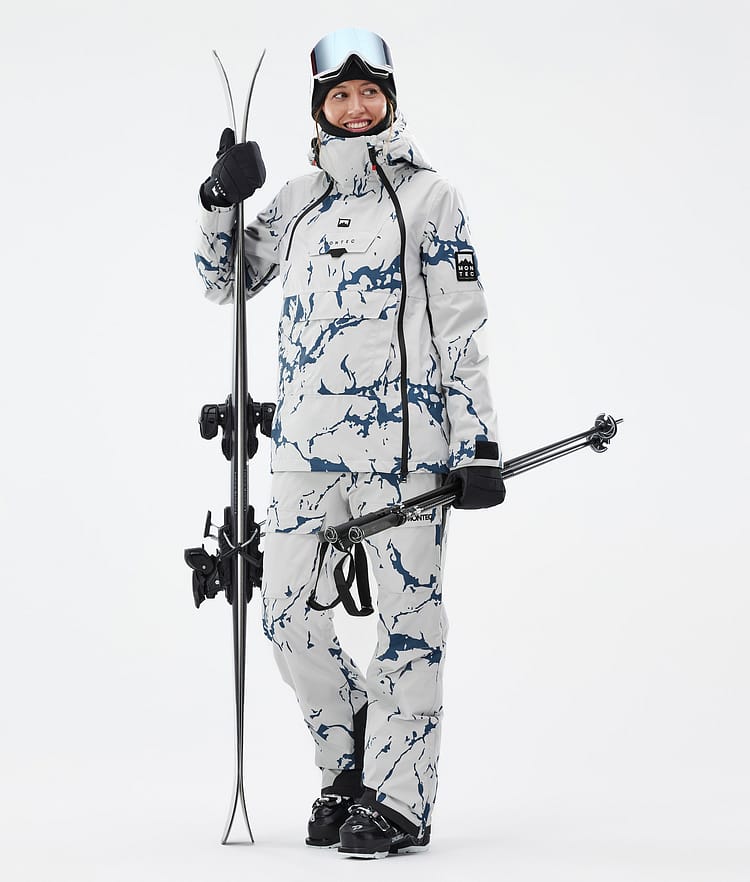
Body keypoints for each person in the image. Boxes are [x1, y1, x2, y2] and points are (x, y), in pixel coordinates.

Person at [194, 27, 505, 859]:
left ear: (391, 100)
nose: (357, 107)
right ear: (321, 107)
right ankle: (350, 760)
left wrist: (478, 444)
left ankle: (400, 799)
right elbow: (225, 281)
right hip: (302, 454)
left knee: (409, 626)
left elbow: (461, 329)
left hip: (405, 455)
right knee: (285, 615)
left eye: (371, 92)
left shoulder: (433, 197)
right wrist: (219, 198)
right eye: (341, 94)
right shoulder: (297, 199)